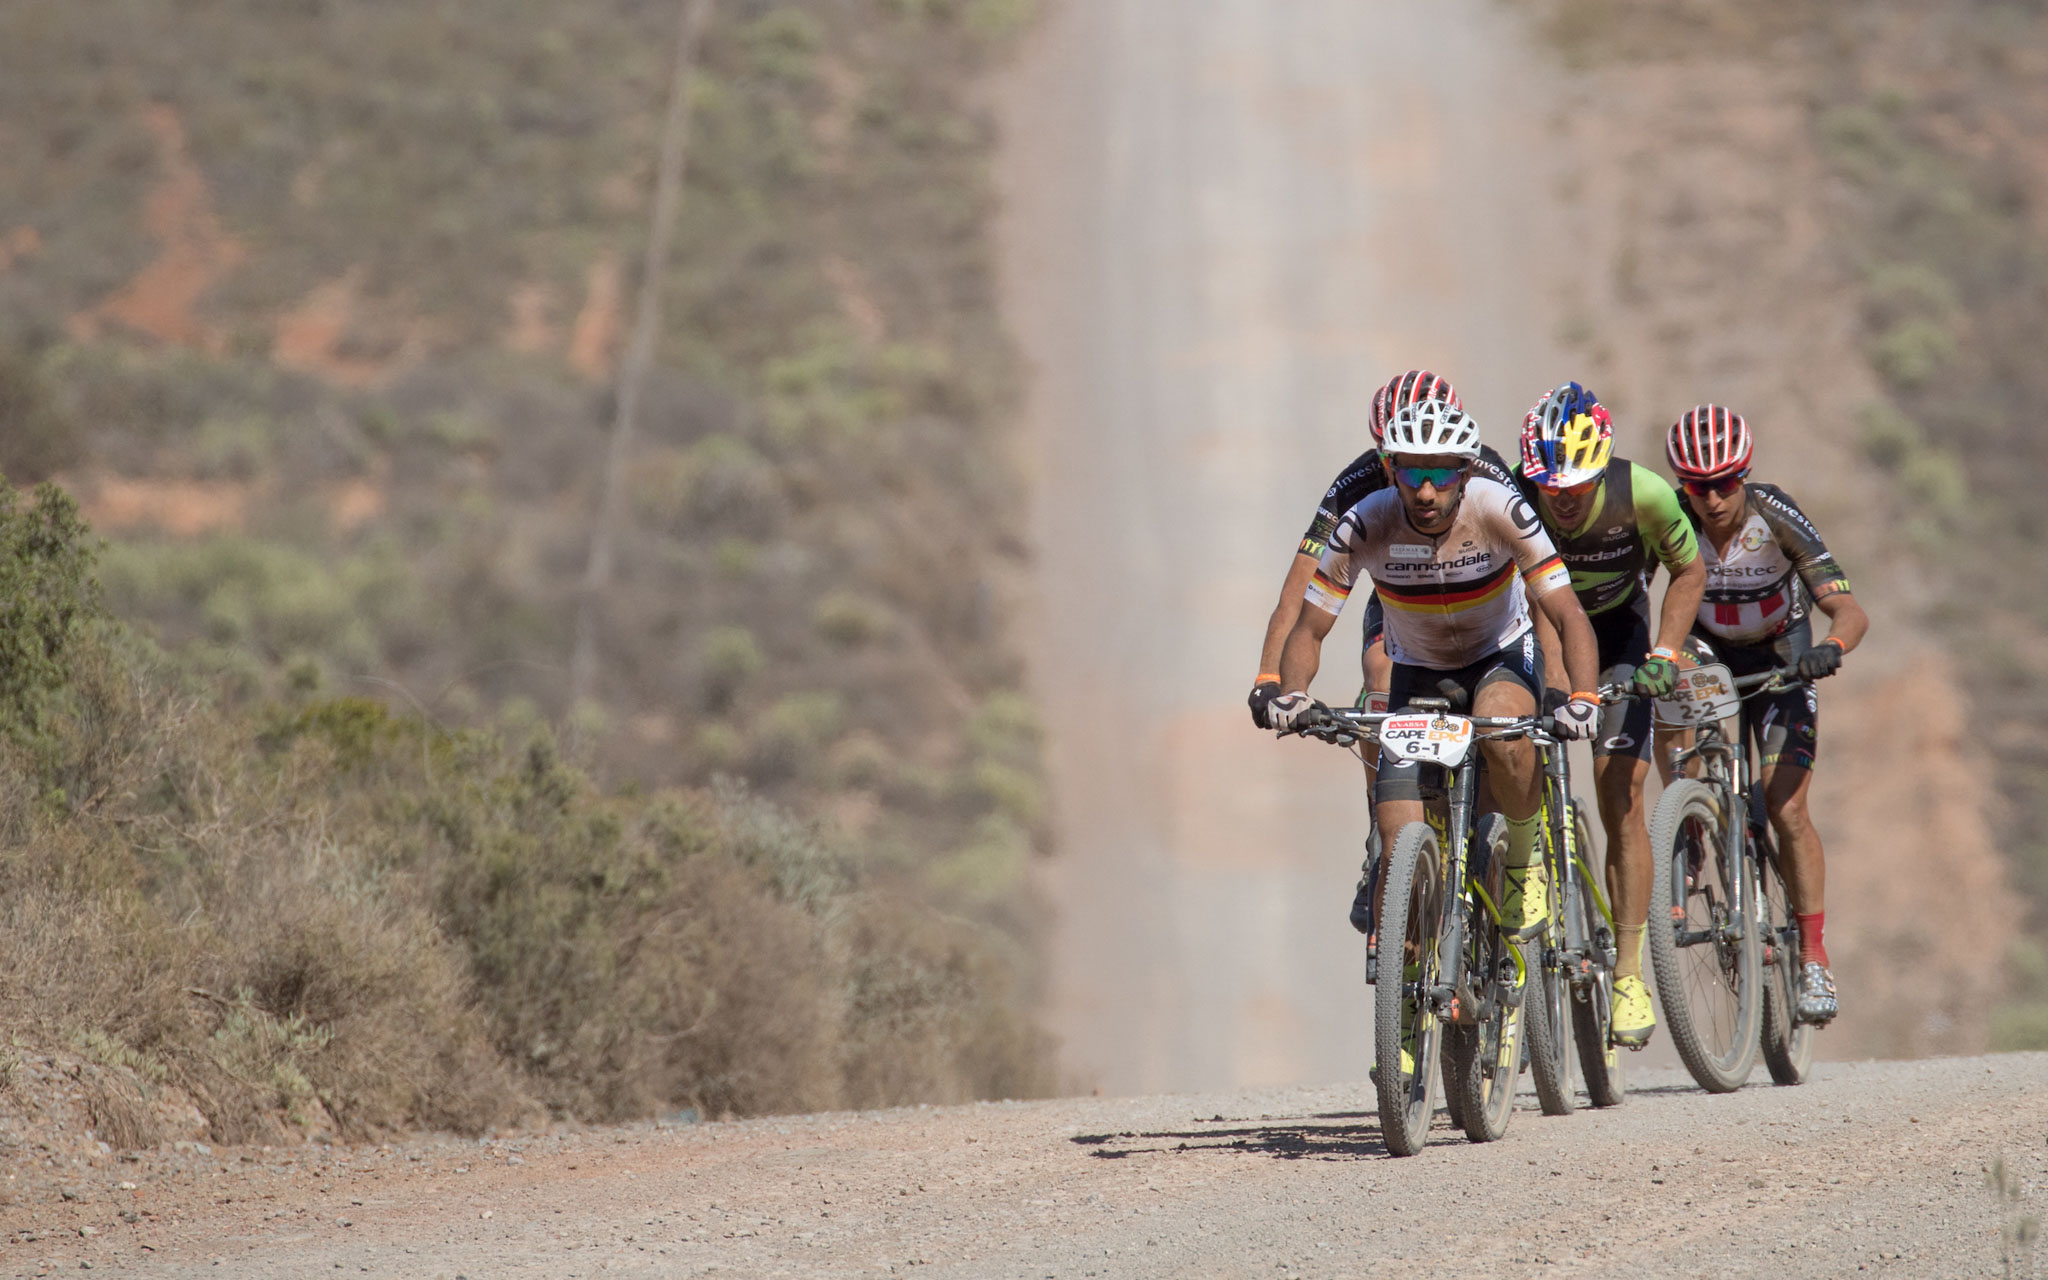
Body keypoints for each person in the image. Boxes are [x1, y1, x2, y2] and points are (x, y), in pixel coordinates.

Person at [1269, 402, 1603, 956]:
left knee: (1504, 726)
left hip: (1497, 655)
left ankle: (1523, 857)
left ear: (1466, 473)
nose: (1426, 491)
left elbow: (1568, 614)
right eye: (1412, 473)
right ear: (1390, 469)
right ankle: (1405, 1008)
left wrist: (1583, 697)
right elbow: (1309, 627)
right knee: (1397, 845)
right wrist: (1293, 692)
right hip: (1417, 671)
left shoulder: (1499, 508)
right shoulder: (1367, 521)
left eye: (1442, 473)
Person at [1245, 370, 1517, 935]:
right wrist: (1271, 676)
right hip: (1405, 605)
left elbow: (1538, 567)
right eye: (1394, 457)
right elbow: (1299, 590)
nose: (1415, 478)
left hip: (1486, 609)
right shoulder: (1357, 482)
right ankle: (1384, 840)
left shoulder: (1486, 468)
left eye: (1435, 465)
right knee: (1378, 674)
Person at [1512, 381, 1707, 1049]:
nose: (1560, 498)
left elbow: (1688, 570)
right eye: (1548, 484)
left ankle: (1628, 972)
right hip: (1540, 628)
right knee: (1512, 745)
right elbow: (1530, 600)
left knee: (1620, 790)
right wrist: (1561, 683)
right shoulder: (1516, 492)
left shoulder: (1644, 494)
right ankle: (1526, 862)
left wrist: (1666, 650)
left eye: (1576, 484)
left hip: (1621, 634)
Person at [1666, 404, 1868, 1025]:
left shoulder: (1774, 513)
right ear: (1683, 485)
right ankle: (1690, 826)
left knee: (1785, 809)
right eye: (1698, 486)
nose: (1713, 497)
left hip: (1784, 657)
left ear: (1743, 476)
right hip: (1710, 651)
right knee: (1668, 695)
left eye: (1726, 482)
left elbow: (1849, 609)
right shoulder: (1671, 518)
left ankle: (1812, 957)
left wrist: (1830, 649)